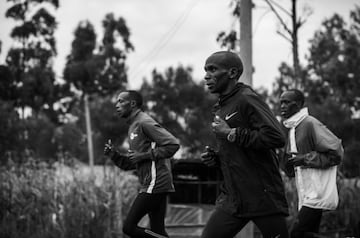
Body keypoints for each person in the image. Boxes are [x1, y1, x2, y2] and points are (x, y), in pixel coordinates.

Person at [200, 51, 289, 238]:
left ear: (232, 73)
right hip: (233, 198)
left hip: (261, 195)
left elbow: (276, 137)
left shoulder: (246, 98)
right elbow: (239, 151)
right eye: (206, 70)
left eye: (213, 69)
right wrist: (216, 158)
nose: (207, 76)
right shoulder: (222, 107)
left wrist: (231, 133)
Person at [104, 90, 180, 238]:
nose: (116, 105)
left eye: (121, 101)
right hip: (152, 182)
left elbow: (173, 145)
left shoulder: (144, 122)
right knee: (158, 233)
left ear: (132, 104)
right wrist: (114, 155)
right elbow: (132, 162)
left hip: (155, 182)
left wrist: (144, 155)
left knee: (129, 227)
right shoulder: (133, 126)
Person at [279, 89, 343, 238]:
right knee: (307, 235)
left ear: (299, 105)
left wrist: (304, 159)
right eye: (281, 102)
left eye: (286, 102)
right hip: (306, 193)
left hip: (317, 193)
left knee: (296, 234)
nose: (282, 106)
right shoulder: (293, 128)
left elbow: (337, 153)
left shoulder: (309, 123)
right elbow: (292, 166)